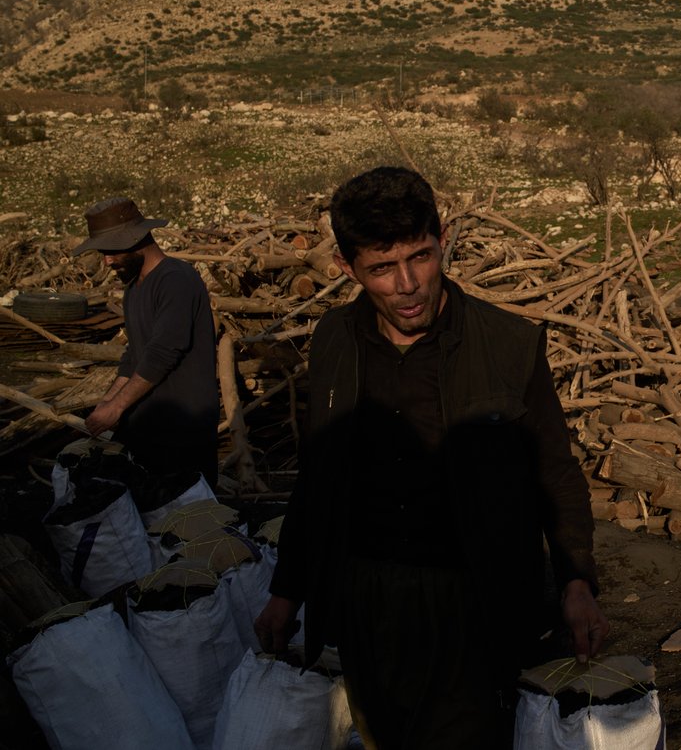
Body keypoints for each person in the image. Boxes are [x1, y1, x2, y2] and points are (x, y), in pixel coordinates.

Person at [254, 166, 606, 748]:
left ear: (442, 238)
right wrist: (287, 590)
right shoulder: (335, 341)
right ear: (347, 267)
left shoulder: (509, 345)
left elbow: (554, 470)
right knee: (382, 733)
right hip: (366, 595)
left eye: (420, 257)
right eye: (381, 269)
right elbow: (319, 477)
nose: (408, 284)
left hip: (473, 598)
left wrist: (576, 581)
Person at [75, 197, 219, 486]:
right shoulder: (133, 288)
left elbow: (162, 352)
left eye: (112, 250)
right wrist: (109, 400)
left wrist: (117, 407)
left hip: (182, 427)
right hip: (149, 427)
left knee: (188, 519)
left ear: (137, 239)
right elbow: (134, 355)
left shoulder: (175, 280)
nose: (107, 260)